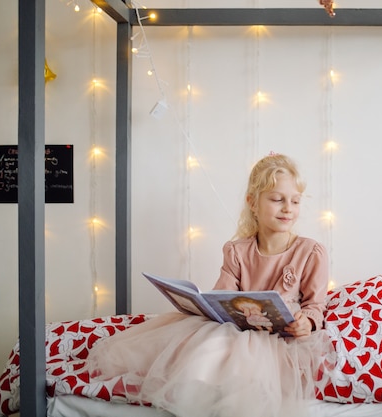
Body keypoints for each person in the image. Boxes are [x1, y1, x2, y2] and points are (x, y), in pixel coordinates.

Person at [88, 154, 330, 417]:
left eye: (295, 201)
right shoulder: (236, 250)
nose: (288, 208)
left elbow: (315, 304)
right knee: (207, 345)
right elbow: (222, 296)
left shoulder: (311, 251)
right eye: (277, 199)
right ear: (253, 203)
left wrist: (307, 322)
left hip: (279, 340)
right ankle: (196, 396)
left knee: (244, 367)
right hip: (238, 330)